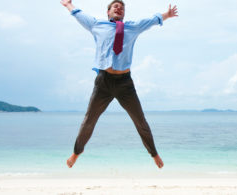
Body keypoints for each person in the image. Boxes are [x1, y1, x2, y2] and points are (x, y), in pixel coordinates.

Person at [60, 0, 178, 169]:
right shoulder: (96, 24)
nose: (119, 8)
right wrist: (68, 5)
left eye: (121, 7)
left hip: (124, 83)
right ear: (108, 12)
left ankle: (154, 153)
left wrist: (167, 15)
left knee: (140, 120)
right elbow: (79, 14)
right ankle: (76, 153)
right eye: (115, 6)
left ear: (123, 14)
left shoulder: (133, 27)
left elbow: (152, 20)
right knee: (89, 120)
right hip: (103, 82)